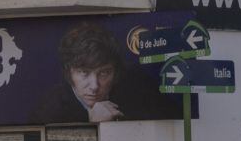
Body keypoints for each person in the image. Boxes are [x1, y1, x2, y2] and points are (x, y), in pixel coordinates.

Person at [38, 22, 175, 123]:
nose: (94, 86)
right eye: (84, 73)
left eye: (104, 73)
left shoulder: (139, 87)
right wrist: (91, 124)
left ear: (116, 72)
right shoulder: (50, 110)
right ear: (69, 73)